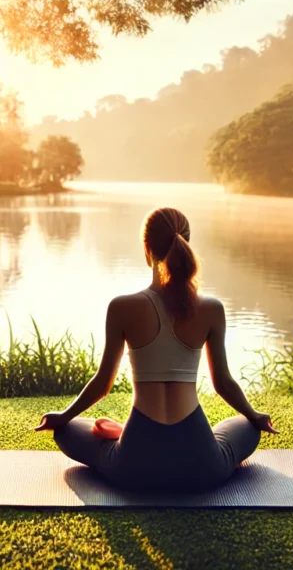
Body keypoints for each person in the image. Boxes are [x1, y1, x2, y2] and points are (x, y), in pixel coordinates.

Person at [35, 207, 277, 492]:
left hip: (134, 466)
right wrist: (254, 414)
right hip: (202, 468)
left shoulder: (121, 307)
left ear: (147, 249)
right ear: (186, 242)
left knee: (68, 431)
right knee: (246, 426)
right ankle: (143, 438)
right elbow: (222, 383)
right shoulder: (211, 309)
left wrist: (63, 416)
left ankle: (122, 435)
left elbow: (103, 384)